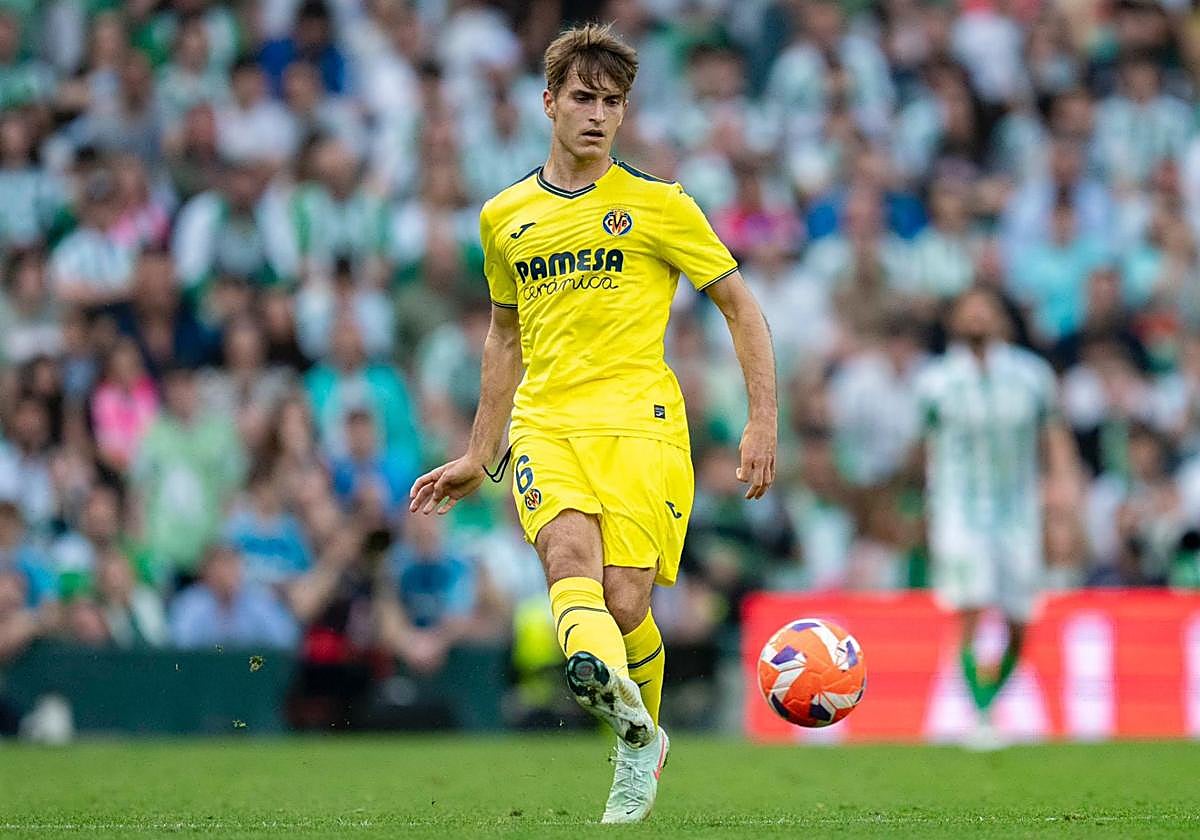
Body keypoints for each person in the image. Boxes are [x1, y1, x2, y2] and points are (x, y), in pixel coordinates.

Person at [409, 24, 776, 823]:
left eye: (613, 102)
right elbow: (504, 337)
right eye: (583, 96)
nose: (598, 114)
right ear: (548, 102)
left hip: (642, 426)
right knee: (568, 563)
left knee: (626, 603)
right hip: (545, 425)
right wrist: (480, 453)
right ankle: (638, 744)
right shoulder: (505, 216)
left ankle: (637, 738)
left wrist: (762, 422)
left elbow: (741, 307)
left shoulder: (658, 205)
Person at [913, 286, 1079, 749]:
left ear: (1003, 319)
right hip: (958, 510)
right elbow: (920, 448)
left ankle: (989, 702)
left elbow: (1054, 436)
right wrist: (916, 509)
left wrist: (1062, 492)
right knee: (968, 605)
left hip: (1017, 512)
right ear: (955, 321)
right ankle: (981, 714)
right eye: (969, 310)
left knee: (1019, 618)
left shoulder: (1031, 375)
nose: (978, 317)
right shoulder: (936, 381)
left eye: (986, 309)